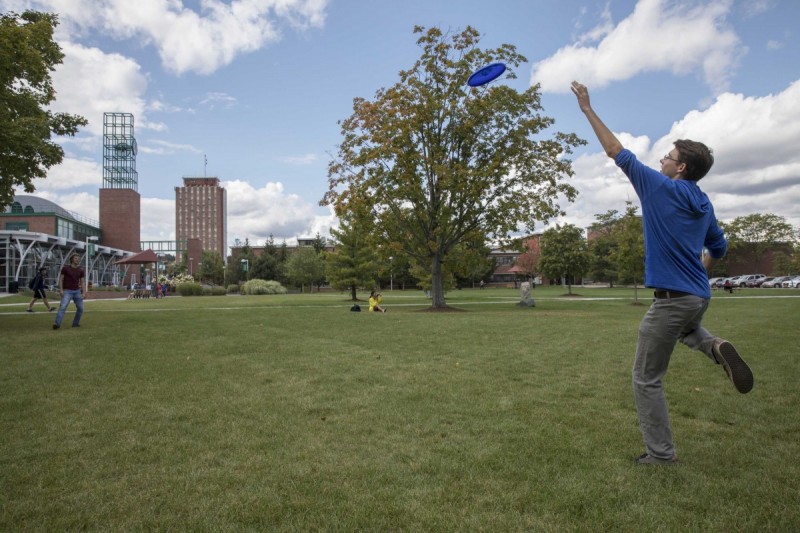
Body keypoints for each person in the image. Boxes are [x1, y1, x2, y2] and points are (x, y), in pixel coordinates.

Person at [571, 81, 754, 466]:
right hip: (697, 299)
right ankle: (714, 346)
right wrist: (701, 277)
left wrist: (587, 108)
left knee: (645, 379)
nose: (661, 162)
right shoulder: (704, 203)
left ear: (680, 167)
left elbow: (614, 151)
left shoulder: (659, 188)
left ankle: (661, 456)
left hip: (671, 300)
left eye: (667, 157)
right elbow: (718, 249)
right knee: (687, 328)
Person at [53, 254, 86, 330]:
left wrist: (83, 293)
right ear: (72, 259)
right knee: (63, 307)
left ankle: (75, 323)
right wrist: (61, 290)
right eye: (76, 258)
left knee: (80, 308)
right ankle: (57, 324)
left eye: (78, 259)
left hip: (77, 291)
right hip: (67, 291)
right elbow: (61, 279)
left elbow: (82, 282)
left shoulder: (81, 270)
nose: (78, 260)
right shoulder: (65, 268)